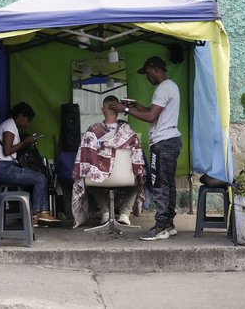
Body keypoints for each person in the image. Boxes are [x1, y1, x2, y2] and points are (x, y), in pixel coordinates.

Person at [111, 56, 182, 241]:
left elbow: (151, 117)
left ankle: (160, 226)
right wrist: (136, 106)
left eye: (147, 73)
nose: (146, 77)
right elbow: (155, 113)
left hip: (163, 143)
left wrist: (125, 110)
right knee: (168, 185)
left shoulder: (163, 88)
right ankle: (168, 224)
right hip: (171, 140)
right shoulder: (171, 86)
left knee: (159, 184)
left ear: (154, 68)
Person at [72, 95, 145, 228]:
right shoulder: (128, 133)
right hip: (124, 178)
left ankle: (105, 212)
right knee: (139, 176)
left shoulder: (93, 131)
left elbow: (84, 160)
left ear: (102, 110)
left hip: (99, 178)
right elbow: (138, 162)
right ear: (118, 110)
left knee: (88, 175)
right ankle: (124, 214)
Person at [0, 102, 60, 227]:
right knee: (40, 178)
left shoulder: (11, 126)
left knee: (37, 178)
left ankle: (41, 214)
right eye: (27, 120)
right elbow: (7, 151)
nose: (28, 124)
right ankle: (37, 215)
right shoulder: (9, 125)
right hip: (1, 168)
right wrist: (25, 142)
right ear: (20, 116)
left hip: (4, 167)